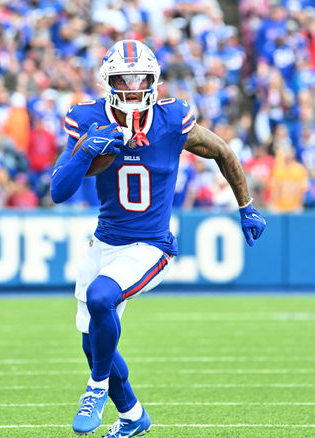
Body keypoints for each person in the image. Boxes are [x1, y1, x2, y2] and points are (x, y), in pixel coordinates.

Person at [50, 40, 266, 438]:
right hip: (105, 242)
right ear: (108, 81)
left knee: (101, 298)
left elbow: (221, 150)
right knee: (92, 343)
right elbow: (59, 190)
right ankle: (133, 416)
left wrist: (246, 205)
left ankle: (96, 389)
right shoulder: (86, 118)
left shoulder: (172, 119)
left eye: (140, 80)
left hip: (151, 246)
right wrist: (84, 152)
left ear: (154, 80)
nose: (133, 89)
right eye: (123, 80)